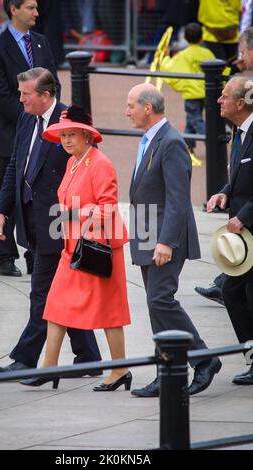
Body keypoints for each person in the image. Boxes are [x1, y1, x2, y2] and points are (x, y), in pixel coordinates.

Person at [0, 68, 102, 374]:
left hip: (60, 222)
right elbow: (16, 165)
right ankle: (89, 358)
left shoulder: (70, 121)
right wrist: (2, 210)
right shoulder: (28, 118)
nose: (21, 99)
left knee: (41, 291)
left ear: (46, 96)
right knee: (61, 290)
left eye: (26, 94)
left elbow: (90, 167)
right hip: (31, 220)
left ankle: (25, 359)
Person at [21, 105, 131, 391]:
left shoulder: (100, 163)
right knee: (55, 305)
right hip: (73, 248)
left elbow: (108, 209)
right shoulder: (74, 162)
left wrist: (74, 214)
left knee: (110, 313)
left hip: (98, 250)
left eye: (72, 135)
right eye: (64, 135)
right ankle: (49, 367)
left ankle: (120, 370)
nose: (66, 140)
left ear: (86, 135)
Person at [126, 83, 221, 397]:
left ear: (147, 108)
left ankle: (204, 359)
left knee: (160, 300)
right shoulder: (150, 139)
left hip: (164, 238)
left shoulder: (171, 142)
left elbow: (179, 199)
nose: (127, 112)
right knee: (156, 306)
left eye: (131, 106)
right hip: (146, 234)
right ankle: (167, 373)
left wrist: (166, 241)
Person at [0, 0, 61, 277]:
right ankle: (4, 255)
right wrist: (29, 117)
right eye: (30, 7)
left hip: (44, 129)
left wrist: (48, 114)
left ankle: (35, 252)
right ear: (13, 9)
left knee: (38, 190)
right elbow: (1, 94)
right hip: (11, 131)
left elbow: (54, 83)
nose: (37, 13)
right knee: (9, 190)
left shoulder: (41, 42)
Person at [207, 76, 253, 385]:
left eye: (224, 97)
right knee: (233, 290)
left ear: (240, 103)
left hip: (249, 226)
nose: (219, 101)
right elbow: (241, 175)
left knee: (243, 292)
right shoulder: (239, 131)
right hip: (243, 231)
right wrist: (225, 191)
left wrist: (246, 215)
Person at [160, 22, 215, 165]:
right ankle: (188, 146)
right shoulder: (207, 53)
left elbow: (169, 68)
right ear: (202, 37)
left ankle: (210, 141)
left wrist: (165, 57)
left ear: (185, 37)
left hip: (191, 94)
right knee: (191, 120)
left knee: (195, 119)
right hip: (206, 92)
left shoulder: (183, 55)